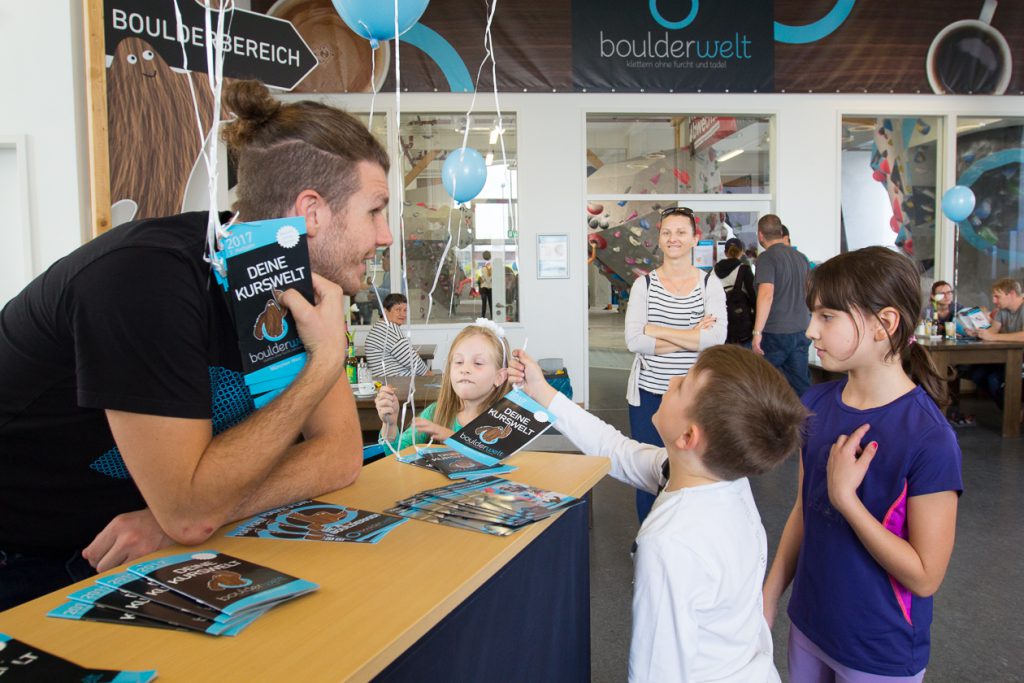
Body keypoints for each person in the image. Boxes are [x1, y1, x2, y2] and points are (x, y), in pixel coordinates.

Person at [0, 80, 392, 609]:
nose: (386, 236)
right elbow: (190, 513)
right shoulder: (143, 281)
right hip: (23, 554)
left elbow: (340, 456)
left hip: (129, 544)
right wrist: (325, 363)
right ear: (311, 211)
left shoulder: (286, 280)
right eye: (375, 210)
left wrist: (180, 518)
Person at [508, 345, 807, 683]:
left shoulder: (670, 543)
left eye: (682, 384)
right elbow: (615, 450)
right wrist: (542, 392)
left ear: (689, 436)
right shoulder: (723, 478)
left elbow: (655, 671)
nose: (673, 378)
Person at [763, 246, 962, 682]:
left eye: (827, 317)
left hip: (877, 647)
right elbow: (803, 510)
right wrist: (770, 593)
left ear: (885, 323)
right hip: (810, 623)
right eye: (812, 315)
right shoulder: (814, 403)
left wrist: (846, 501)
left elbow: (926, 577)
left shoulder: (929, 438)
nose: (811, 330)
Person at [625, 206, 727, 523]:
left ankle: (684, 542)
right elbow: (634, 341)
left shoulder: (709, 284)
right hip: (649, 397)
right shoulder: (644, 286)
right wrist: (693, 333)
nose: (673, 239)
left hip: (694, 398)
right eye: (667, 232)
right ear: (660, 238)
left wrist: (657, 331)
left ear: (695, 238)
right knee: (648, 474)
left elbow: (716, 339)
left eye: (681, 232)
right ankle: (646, 546)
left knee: (693, 472)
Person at [375, 321, 511, 450]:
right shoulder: (435, 412)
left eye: (478, 363)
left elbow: (493, 460)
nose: (465, 369)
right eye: (458, 362)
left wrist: (451, 438)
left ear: (499, 377)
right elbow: (398, 454)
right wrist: (390, 425)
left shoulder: (506, 421)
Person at [752, 214, 811, 396]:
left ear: (760, 235)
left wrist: (757, 333)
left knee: (760, 384)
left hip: (775, 332)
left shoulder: (766, 258)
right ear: (781, 232)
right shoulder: (801, 258)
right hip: (801, 330)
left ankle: (766, 423)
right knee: (801, 385)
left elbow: (766, 294)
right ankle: (809, 422)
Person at [964, 277, 1024, 409]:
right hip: (1006, 358)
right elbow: (993, 331)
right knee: (976, 374)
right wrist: (978, 333)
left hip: (1020, 360)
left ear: (1012, 294)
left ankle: (1013, 412)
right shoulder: (1002, 310)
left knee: (993, 380)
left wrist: (993, 337)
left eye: (998, 296)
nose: (994, 301)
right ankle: (1011, 409)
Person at [364, 293, 433, 379]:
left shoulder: (380, 327)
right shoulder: (389, 330)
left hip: (387, 380)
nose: (403, 314)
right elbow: (414, 362)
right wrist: (430, 375)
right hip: (397, 382)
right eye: (398, 310)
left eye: (405, 310)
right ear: (385, 311)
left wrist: (413, 355)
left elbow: (408, 356)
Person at [713, 237, 757, 346]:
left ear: (725, 252)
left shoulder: (713, 271)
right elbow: (754, 298)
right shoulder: (744, 270)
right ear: (741, 252)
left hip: (720, 324)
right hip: (741, 327)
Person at [478, 250, 494, 319]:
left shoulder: (485, 267)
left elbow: (486, 278)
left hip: (484, 287)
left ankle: (483, 317)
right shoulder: (492, 265)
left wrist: (481, 279)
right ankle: (492, 316)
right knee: (491, 303)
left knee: (484, 303)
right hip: (490, 287)